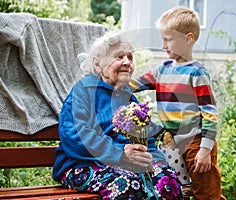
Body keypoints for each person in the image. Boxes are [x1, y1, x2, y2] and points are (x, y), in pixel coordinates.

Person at [52, 32, 184, 200]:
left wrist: (155, 160)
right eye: (119, 57)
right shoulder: (84, 90)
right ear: (98, 64)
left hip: (128, 166)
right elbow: (76, 136)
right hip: (83, 164)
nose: (127, 62)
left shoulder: (128, 98)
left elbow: (145, 137)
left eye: (130, 57)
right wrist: (120, 153)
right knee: (126, 184)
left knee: (167, 182)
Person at [130, 6, 226, 200]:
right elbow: (133, 85)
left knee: (206, 193)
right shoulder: (162, 70)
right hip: (172, 142)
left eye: (168, 39)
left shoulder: (196, 74)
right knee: (178, 190)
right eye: (162, 39)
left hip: (196, 142)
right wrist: (109, 81)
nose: (163, 45)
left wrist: (205, 150)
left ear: (188, 38)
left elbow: (210, 113)